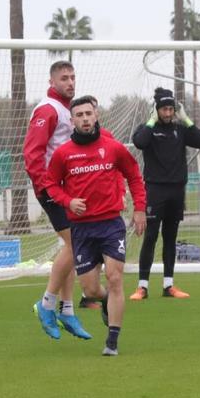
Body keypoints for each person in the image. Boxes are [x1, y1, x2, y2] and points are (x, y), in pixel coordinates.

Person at [45, 96, 147, 356]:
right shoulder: (63, 153)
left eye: (88, 113)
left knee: (115, 278)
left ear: (96, 115)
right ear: (72, 120)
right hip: (81, 229)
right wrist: (68, 201)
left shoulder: (113, 148)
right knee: (90, 289)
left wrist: (139, 209)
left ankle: (112, 341)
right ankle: (103, 302)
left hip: (111, 224)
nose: (85, 118)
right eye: (79, 115)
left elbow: (134, 176)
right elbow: (51, 185)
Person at [22, 60, 94, 341]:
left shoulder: (66, 109)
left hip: (67, 188)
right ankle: (47, 304)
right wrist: (47, 187)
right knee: (76, 243)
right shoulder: (47, 109)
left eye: (73, 77)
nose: (70, 82)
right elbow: (32, 154)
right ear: (52, 81)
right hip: (53, 189)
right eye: (64, 78)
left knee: (71, 247)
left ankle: (66, 309)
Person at [129, 87, 200, 300]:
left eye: (170, 109)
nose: (167, 113)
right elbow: (139, 142)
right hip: (155, 190)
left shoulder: (180, 129)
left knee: (170, 238)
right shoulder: (149, 129)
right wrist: (150, 121)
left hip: (176, 191)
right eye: (163, 109)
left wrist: (186, 119)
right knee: (151, 236)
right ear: (157, 110)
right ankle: (142, 287)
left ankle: (168, 285)